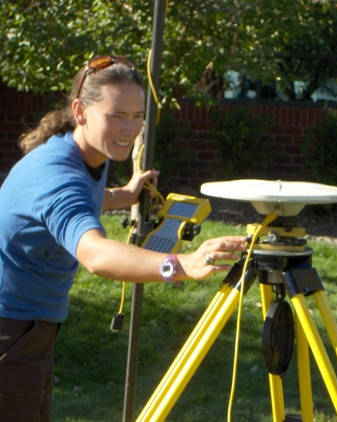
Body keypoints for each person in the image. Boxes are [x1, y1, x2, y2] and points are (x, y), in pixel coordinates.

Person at [0, 55, 247, 422]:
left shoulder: (85, 154)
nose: (129, 129)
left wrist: (125, 194)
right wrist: (182, 265)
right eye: (117, 115)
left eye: (137, 116)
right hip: (10, 329)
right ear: (80, 111)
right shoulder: (57, 173)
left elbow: (83, 199)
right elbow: (97, 255)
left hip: (29, 328)